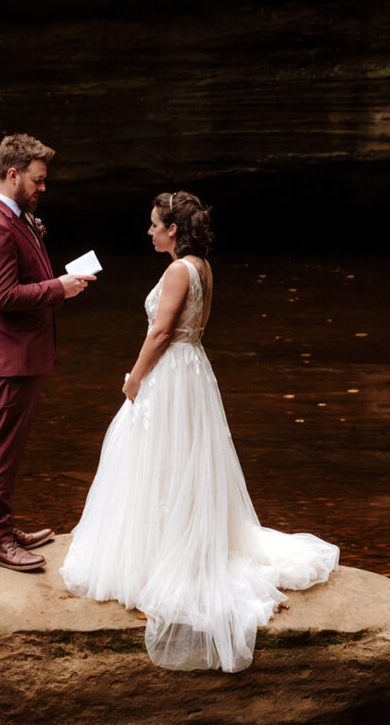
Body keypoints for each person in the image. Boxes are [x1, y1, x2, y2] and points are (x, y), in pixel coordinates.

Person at [60, 191, 339, 673]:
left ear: (173, 229)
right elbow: (195, 327)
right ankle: (177, 541)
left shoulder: (176, 271)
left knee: (156, 459)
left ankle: (163, 558)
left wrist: (134, 379)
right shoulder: (203, 268)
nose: (148, 231)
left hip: (169, 373)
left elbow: (161, 332)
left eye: (154, 224)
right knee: (182, 459)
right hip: (194, 371)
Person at [0, 133, 96, 572]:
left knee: (10, 447)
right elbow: (3, 296)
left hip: (20, 355)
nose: (44, 188)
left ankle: (1, 527)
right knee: (0, 448)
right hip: (8, 359)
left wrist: (58, 281)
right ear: (13, 173)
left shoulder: (14, 214)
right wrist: (58, 288)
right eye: (38, 181)